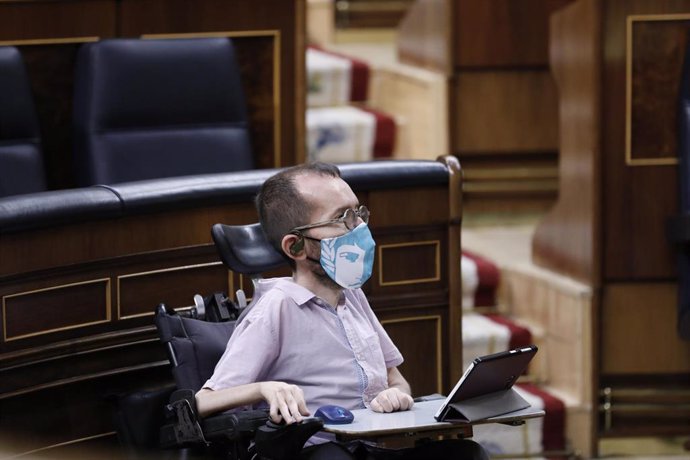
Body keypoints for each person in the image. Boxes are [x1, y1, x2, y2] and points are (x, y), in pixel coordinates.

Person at [196, 162, 488, 460]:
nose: (359, 227)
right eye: (341, 218)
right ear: (296, 247)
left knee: (467, 454)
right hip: (313, 453)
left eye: (359, 213)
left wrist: (396, 394)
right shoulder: (276, 307)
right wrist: (263, 389)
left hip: (366, 447)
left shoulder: (353, 296)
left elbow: (395, 378)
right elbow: (203, 402)